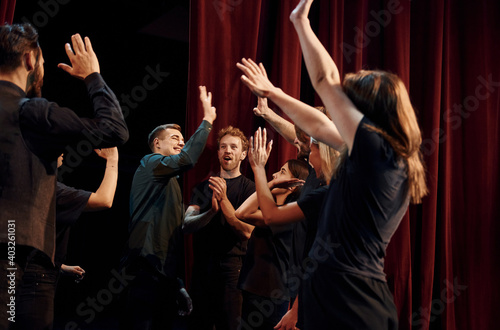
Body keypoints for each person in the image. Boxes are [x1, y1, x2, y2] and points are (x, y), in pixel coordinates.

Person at [237, 1, 428, 328]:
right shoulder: (375, 154)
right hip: (339, 292)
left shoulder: (378, 149)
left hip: (351, 296)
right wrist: (275, 96)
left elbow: (326, 80)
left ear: (369, 110)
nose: (342, 109)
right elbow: (318, 126)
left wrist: (301, 22)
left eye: (350, 103)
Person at [0, 23, 128, 329]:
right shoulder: (31, 111)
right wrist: (92, 76)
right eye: (42, 61)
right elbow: (114, 129)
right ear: (30, 59)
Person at [119, 86, 216, 330]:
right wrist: (206, 121)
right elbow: (188, 159)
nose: (181, 143)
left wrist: (178, 284)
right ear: (156, 143)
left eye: (182, 140)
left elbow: (172, 232)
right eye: (175, 139)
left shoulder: (169, 180)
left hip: (162, 274)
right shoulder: (150, 163)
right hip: (145, 269)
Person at [235, 128, 309, 330]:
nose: (276, 173)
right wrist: (272, 182)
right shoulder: (276, 211)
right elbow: (242, 212)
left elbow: (242, 213)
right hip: (254, 288)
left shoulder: (287, 215)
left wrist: (270, 181)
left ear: (294, 184)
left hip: (272, 296)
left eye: (282, 173)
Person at [183, 126, 255, 330]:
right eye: (223, 146)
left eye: (233, 147)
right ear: (218, 152)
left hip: (232, 268)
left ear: (243, 154)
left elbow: (247, 232)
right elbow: (186, 225)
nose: (227, 151)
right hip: (202, 267)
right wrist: (211, 212)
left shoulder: (250, 189)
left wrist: (223, 202)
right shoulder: (202, 187)